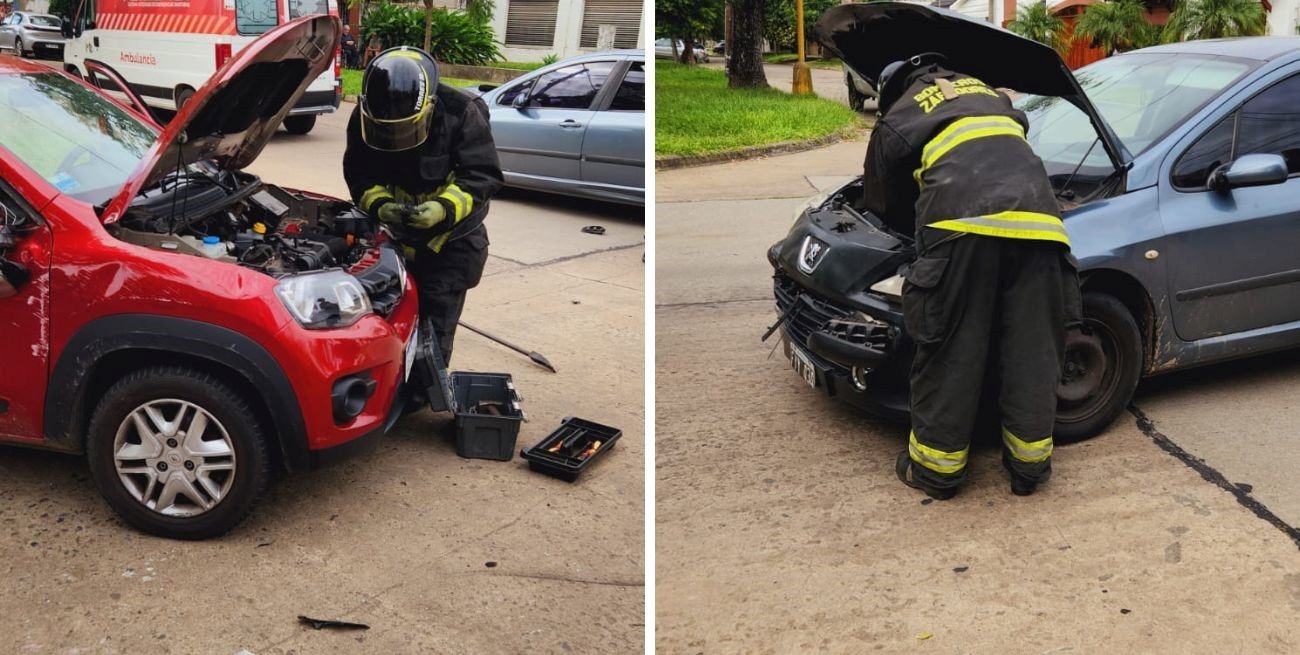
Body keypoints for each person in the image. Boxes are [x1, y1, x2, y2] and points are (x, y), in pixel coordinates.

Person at [861, 53, 1081, 500]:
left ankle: (936, 473)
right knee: (1032, 352)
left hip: (961, 229)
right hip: (1042, 228)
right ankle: (1029, 470)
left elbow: (883, 205)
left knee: (951, 349)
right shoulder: (989, 96)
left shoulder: (900, 115)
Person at [343, 46, 503, 364]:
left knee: (432, 339)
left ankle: (423, 386)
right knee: (384, 326)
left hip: (449, 246)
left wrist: (443, 208)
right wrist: (381, 205)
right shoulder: (367, 114)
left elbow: (483, 175)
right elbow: (358, 173)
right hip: (392, 241)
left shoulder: (461, 111)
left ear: (429, 105)